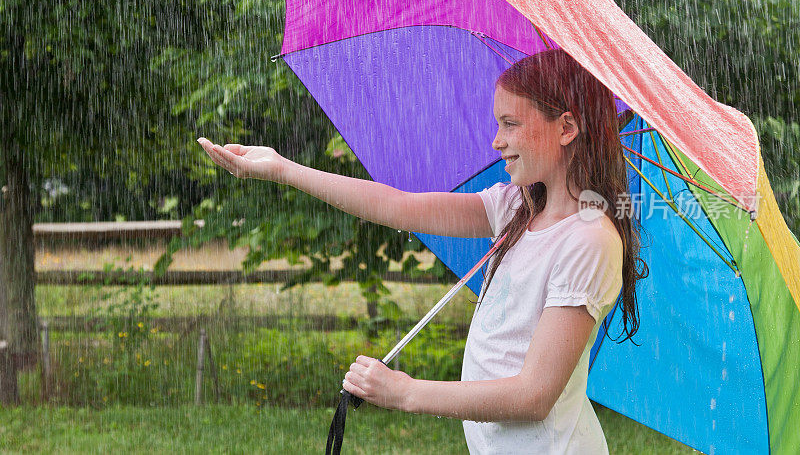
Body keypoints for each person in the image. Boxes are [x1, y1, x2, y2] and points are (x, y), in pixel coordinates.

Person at [197, 48, 647, 454]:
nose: (497, 141)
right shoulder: (517, 207)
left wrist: (405, 392)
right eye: (498, 124)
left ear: (566, 127)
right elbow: (400, 206)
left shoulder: (589, 240)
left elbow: (533, 396)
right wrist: (282, 168)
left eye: (511, 124)